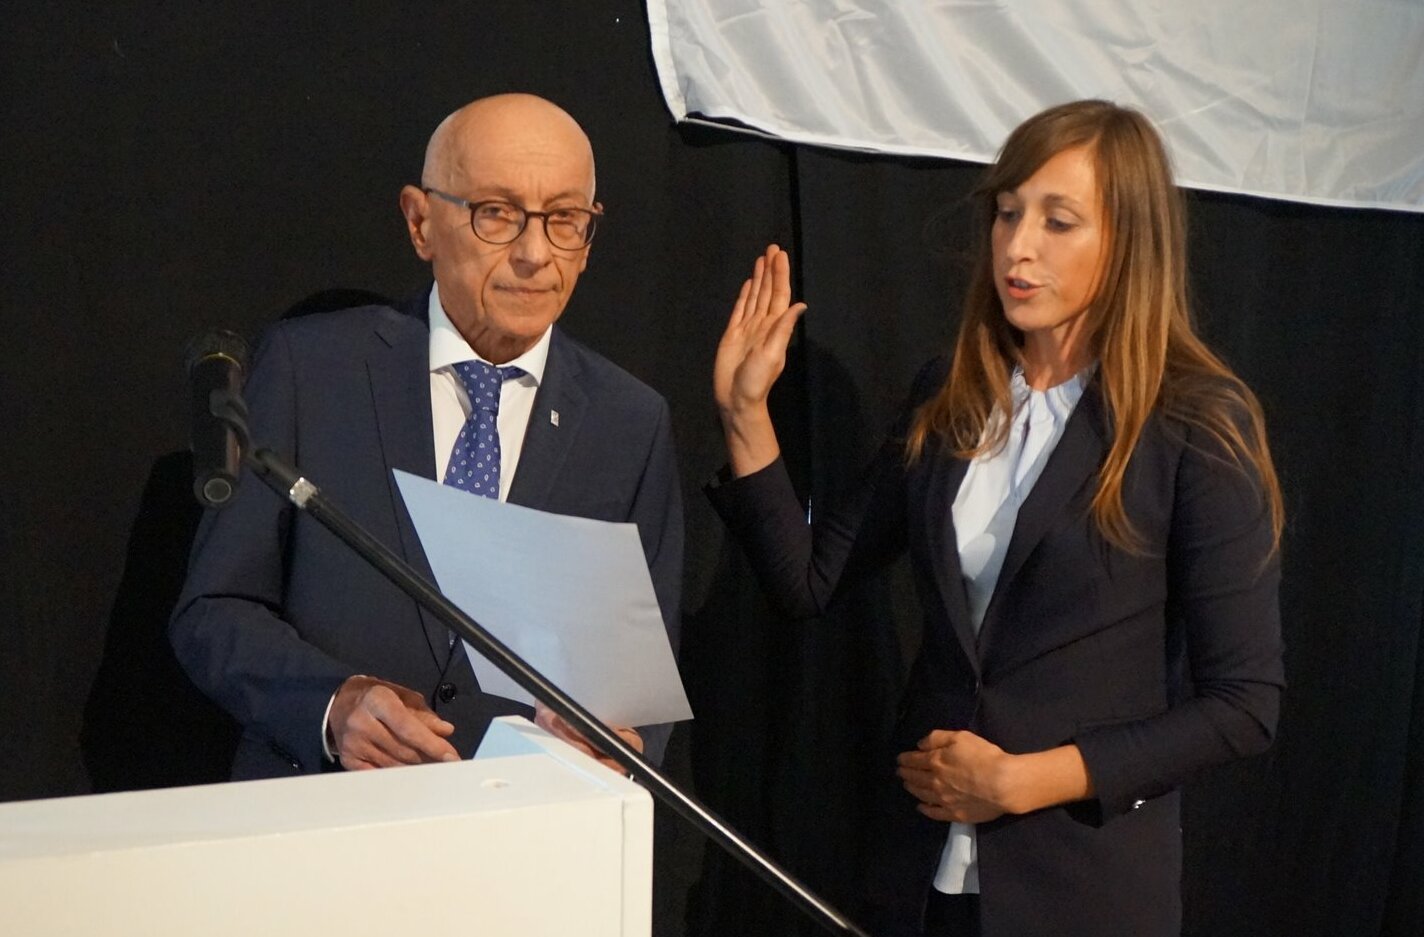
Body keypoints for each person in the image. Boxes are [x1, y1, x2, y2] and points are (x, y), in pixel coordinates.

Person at [708, 100, 1284, 937]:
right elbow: (809, 580)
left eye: (1058, 221)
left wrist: (1026, 780)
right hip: (921, 875)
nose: (1018, 246)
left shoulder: (1192, 423)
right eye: (1009, 213)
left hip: (1081, 890)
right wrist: (744, 414)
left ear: (1129, 240)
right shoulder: (952, 393)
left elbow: (1243, 704)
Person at [170, 93, 683, 780]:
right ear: (420, 222)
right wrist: (330, 704)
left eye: (564, 219)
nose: (535, 254)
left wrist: (617, 741)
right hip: (324, 810)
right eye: (497, 213)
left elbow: (641, 684)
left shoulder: (628, 422)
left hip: (523, 826)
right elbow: (214, 609)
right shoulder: (310, 369)